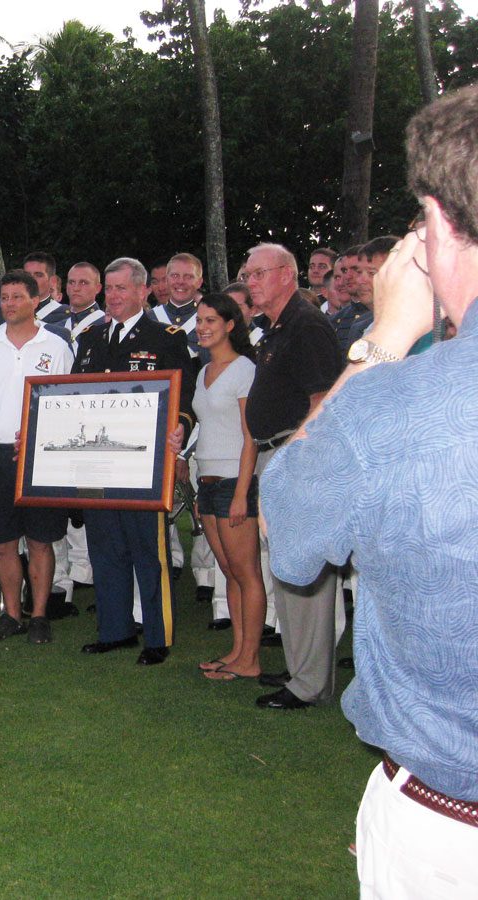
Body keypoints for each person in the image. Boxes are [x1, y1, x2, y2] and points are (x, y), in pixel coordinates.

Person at [261, 85, 478, 895]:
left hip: (449, 825)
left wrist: (387, 337)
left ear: (435, 225)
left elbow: (290, 521)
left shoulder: (395, 407)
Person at [73, 257, 195, 665]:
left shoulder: (166, 337)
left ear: (144, 291)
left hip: (143, 465)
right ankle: (115, 630)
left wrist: (180, 427)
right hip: (96, 464)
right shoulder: (90, 338)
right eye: (110, 289)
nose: (114, 296)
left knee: (149, 552)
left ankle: (157, 638)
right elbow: (73, 398)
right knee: (105, 550)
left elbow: (186, 398)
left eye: (122, 289)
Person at [241, 242, 342, 708]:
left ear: (287, 274)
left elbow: (323, 402)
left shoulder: (307, 326)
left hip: (296, 456)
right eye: (248, 273)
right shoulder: (278, 327)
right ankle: (301, 665)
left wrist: (296, 460)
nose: (250, 281)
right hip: (276, 453)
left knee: (303, 572)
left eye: (258, 273)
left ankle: (309, 683)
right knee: (285, 568)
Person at [0, 270, 74, 643]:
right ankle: (11, 614)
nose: (9, 303)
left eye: (17, 297)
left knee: (41, 540)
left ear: (34, 300)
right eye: (4, 297)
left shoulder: (57, 346)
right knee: (2, 542)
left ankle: (40, 614)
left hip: (42, 456)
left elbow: (67, 404)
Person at [188, 294, 264, 681]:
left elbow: (251, 436)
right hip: (207, 482)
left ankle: (250, 659)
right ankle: (237, 651)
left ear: (230, 325)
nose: (202, 327)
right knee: (229, 572)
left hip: (235, 482)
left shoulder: (244, 369)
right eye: (199, 320)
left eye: (210, 320)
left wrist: (241, 493)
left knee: (246, 572)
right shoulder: (203, 373)